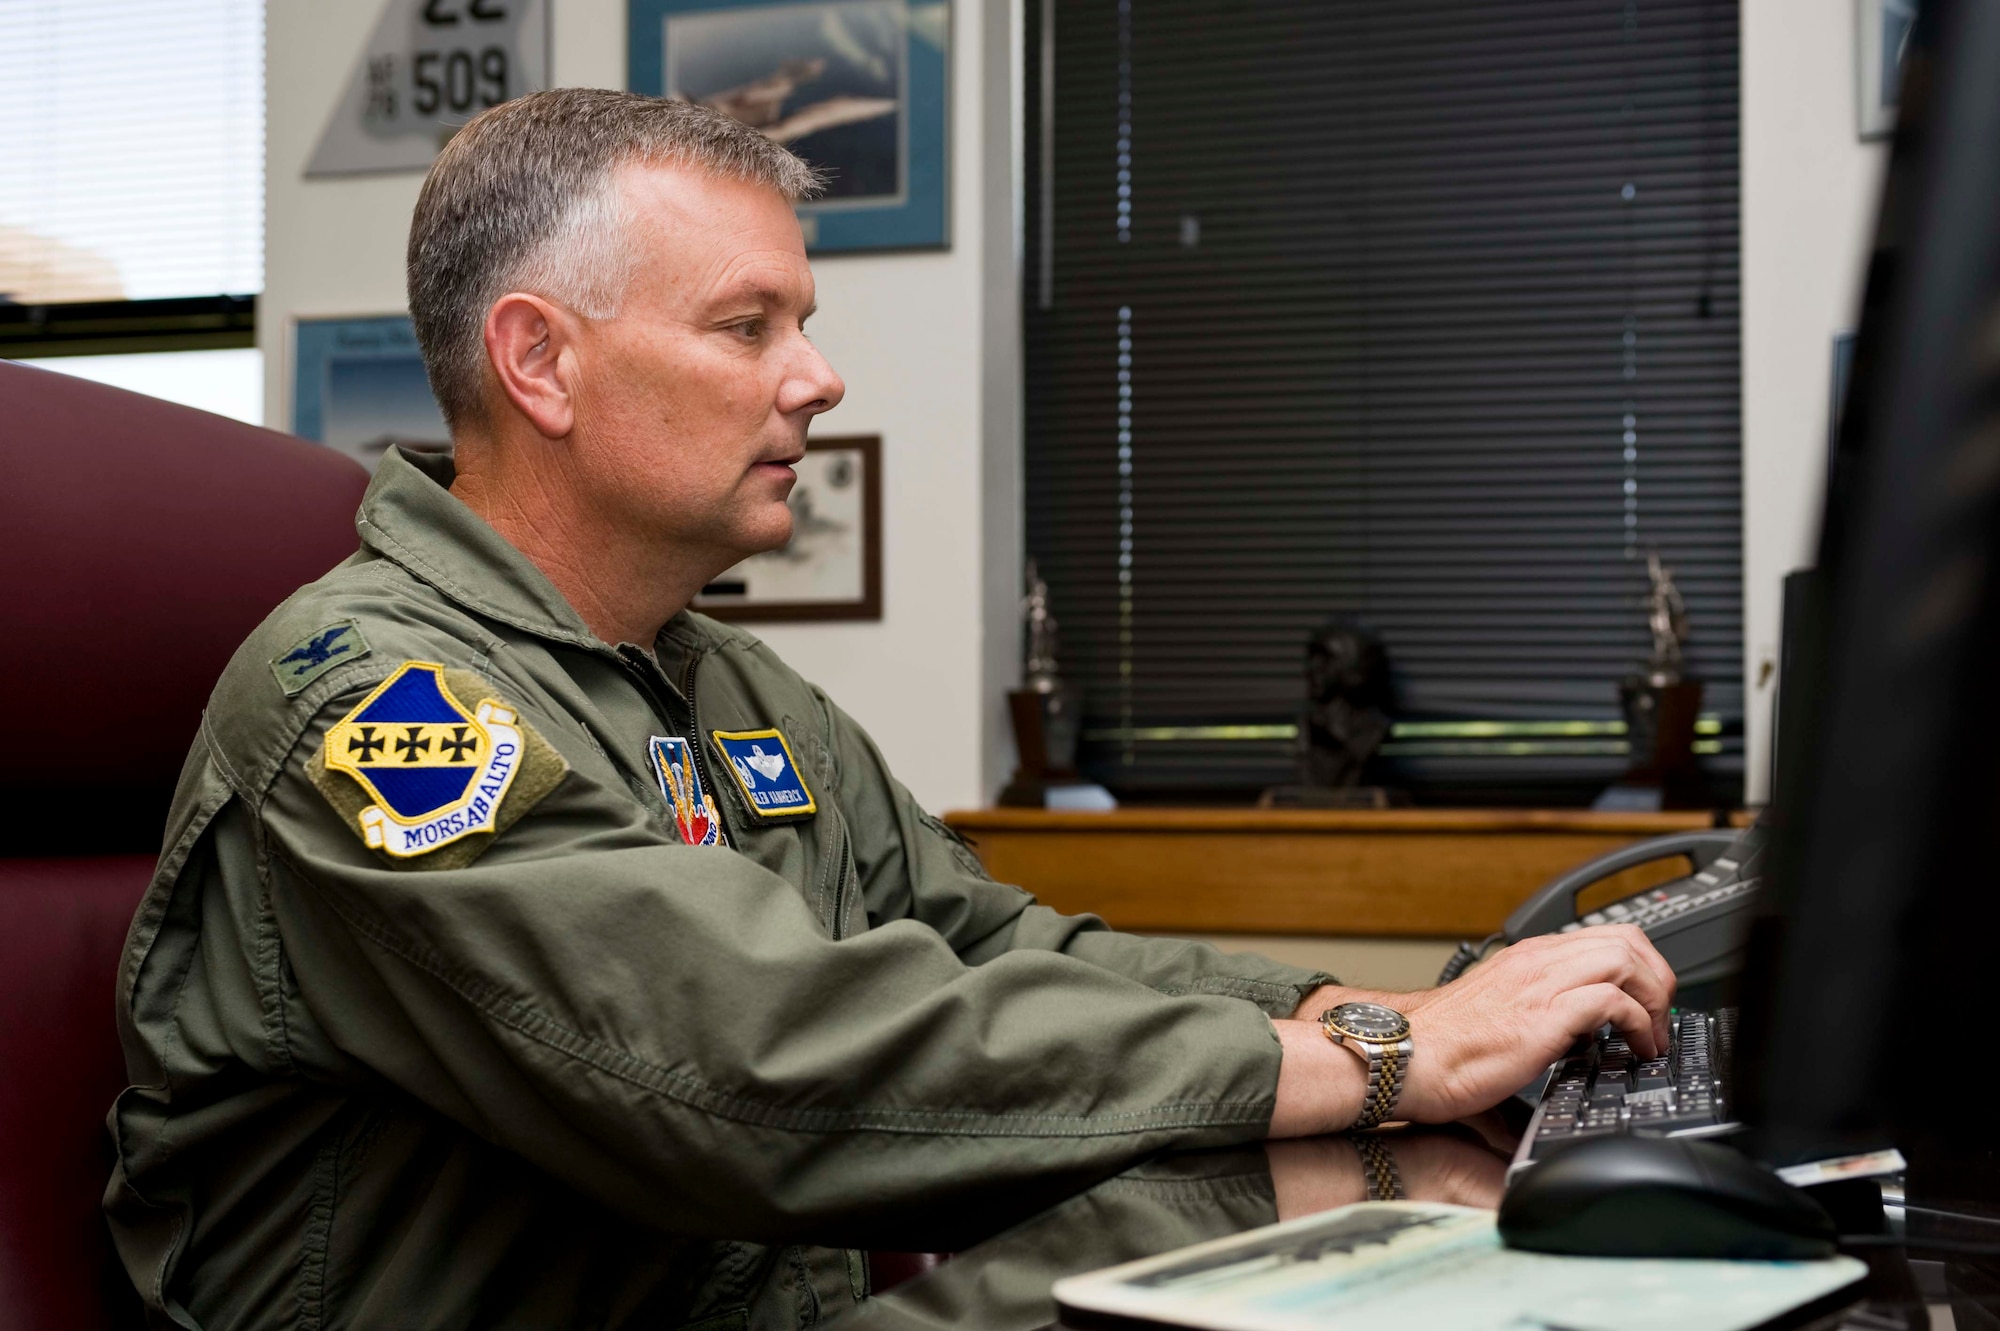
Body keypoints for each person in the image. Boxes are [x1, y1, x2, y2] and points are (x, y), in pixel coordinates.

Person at [106, 89, 1676, 1330]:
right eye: (748, 326)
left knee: (1367, 1250)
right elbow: (748, 1068)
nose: (819, 377)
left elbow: (997, 951)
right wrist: (1392, 1058)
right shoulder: (373, 711)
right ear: (540, 362)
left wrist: (1341, 1010)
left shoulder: (718, 681)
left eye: (803, 321)